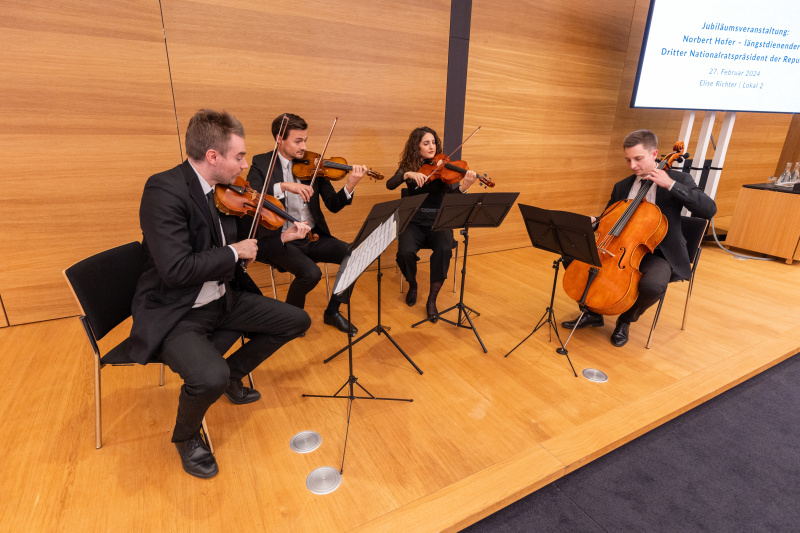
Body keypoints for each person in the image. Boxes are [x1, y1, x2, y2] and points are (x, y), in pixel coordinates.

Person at [130, 109, 311, 478]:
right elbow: (177, 269)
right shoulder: (164, 190)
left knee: (296, 320)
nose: (245, 164)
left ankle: (232, 373)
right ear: (213, 157)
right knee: (206, 378)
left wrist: (281, 236)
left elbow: (243, 240)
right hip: (178, 311)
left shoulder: (222, 192)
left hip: (221, 297)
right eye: (239, 156)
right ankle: (186, 437)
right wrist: (233, 253)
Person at [561, 129, 717, 347]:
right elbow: (610, 218)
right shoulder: (623, 186)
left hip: (659, 251)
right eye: (628, 160)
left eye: (638, 158)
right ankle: (592, 312)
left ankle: (625, 320)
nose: (633, 165)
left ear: (654, 154)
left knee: (653, 285)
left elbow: (709, 210)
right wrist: (595, 221)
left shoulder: (678, 179)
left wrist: (670, 185)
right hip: (620, 248)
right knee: (572, 258)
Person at [246, 113, 367, 336]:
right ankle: (292, 319)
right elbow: (252, 196)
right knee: (311, 274)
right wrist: (283, 186)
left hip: (312, 236)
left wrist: (349, 186)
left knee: (354, 254)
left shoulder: (314, 164)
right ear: (279, 139)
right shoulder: (261, 163)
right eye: (298, 141)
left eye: (306, 140)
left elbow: (332, 204)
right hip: (281, 239)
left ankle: (332, 311)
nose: (304, 146)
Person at [386, 127, 477, 321]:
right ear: (416, 146)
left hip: (439, 221)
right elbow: (390, 183)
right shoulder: (408, 166)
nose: (431, 147)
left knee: (444, 249)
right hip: (414, 222)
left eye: (433, 142)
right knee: (404, 253)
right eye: (426, 143)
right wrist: (407, 175)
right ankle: (413, 284)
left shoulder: (443, 167)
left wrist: (464, 187)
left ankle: (432, 299)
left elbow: (450, 198)